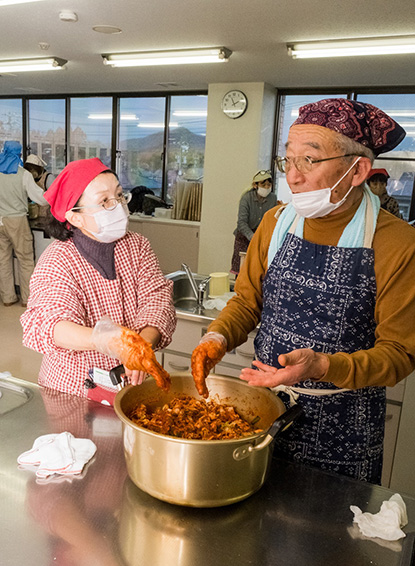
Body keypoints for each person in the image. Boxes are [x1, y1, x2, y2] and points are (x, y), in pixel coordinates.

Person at [191, 98, 415, 484]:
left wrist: (323, 366)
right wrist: (216, 337)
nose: (292, 177)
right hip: (264, 412)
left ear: (358, 169)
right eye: (288, 160)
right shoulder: (275, 223)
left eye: (309, 161)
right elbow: (247, 302)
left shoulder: (396, 243)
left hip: (346, 429)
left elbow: (399, 354)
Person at [21, 157, 176, 397]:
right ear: (75, 216)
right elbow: (51, 324)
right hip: (73, 389)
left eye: (119, 195)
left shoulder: (137, 246)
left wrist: (141, 348)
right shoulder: (58, 260)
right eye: (104, 201)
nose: (117, 206)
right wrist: (110, 341)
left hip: (132, 385)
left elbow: (156, 301)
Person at [0, 141, 49, 307]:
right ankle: (27, 299)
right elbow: (41, 199)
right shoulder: (23, 175)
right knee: (25, 259)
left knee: (3, 260)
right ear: (19, 155)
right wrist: (53, 195)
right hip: (17, 221)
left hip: (0, 221)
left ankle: (7, 298)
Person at [230, 170, 279, 274]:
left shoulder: (273, 198)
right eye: (263, 184)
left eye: (268, 184)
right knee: (242, 270)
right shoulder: (246, 198)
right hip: (244, 237)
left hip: (262, 237)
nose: (266, 187)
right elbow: (242, 223)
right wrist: (253, 237)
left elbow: (273, 220)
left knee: (257, 270)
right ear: (255, 185)